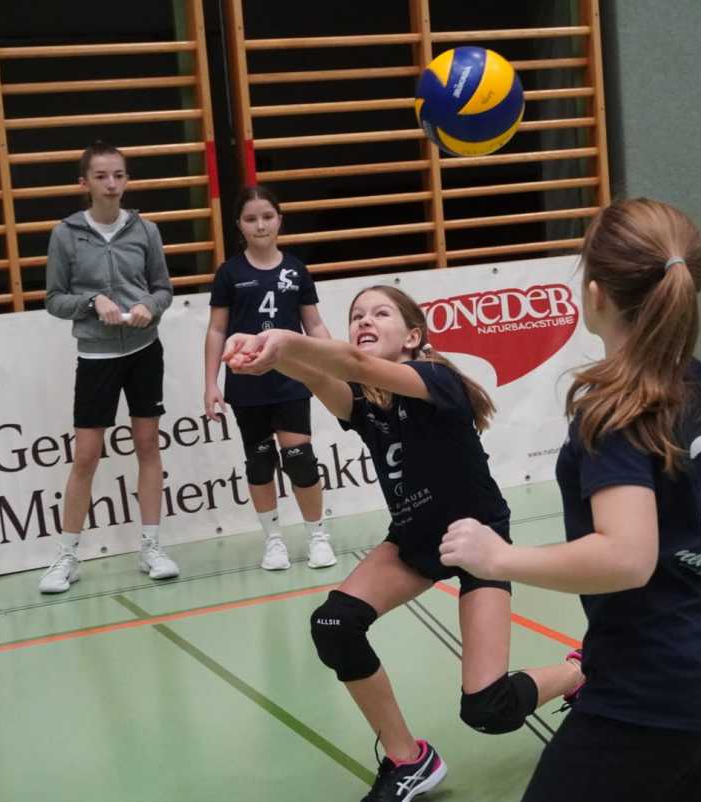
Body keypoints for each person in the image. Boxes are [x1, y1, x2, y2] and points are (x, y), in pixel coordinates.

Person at [438, 198, 701, 802]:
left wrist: (499, 559)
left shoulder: (615, 412)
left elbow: (626, 558)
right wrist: (691, 557)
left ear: (596, 294)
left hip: (646, 693)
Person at [223, 286, 584, 802]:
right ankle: (408, 759)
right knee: (334, 625)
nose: (364, 321)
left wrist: (286, 340)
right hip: (413, 541)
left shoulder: (437, 380)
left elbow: (349, 363)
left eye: (380, 313)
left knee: (489, 708)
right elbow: (318, 374)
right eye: (356, 316)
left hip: (477, 544)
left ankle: (580, 671)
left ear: (413, 336)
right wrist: (266, 353)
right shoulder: (366, 404)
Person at [39, 140, 178, 594]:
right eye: (101, 176)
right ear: (84, 183)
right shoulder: (65, 234)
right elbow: (54, 299)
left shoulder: (146, 230)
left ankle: (151, 547)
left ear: (127, 179)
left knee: (147, 445)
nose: (111, 184)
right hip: (96, 356)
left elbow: (163, 289)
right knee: (86, 455)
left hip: (144, 351)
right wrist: (91, 301)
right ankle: (67, 555)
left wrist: (149, 307)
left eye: (118, 175)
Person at [204, 185, 336, 571]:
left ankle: (317, 536)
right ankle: (273, 541)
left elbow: (314, 324)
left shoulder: (296, 269)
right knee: (259, 463)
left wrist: (335, 365)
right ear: (239, 225)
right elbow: (216, 330)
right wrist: (211, 383)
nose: (260, 225)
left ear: (279, 220)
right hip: (247, 383)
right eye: (251, 219)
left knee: (300, 460)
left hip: (291, 380)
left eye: (267, 217)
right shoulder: (229, 273)